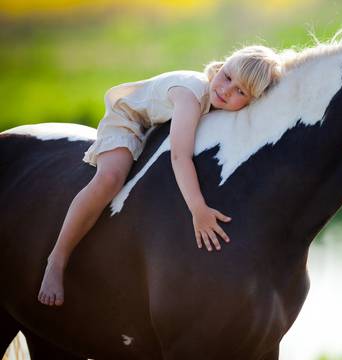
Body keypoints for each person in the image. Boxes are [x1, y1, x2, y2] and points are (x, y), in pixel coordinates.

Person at [37, 45, 283, 306]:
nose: (226, 90)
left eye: (240, 91)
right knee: (110, 179)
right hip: (130, 121)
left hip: (157, 129)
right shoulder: (191, 96)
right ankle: (57, 259)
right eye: (228, 77)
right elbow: (180, 157)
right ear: (221, 68)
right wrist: (198, 208)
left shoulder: (217, 100)